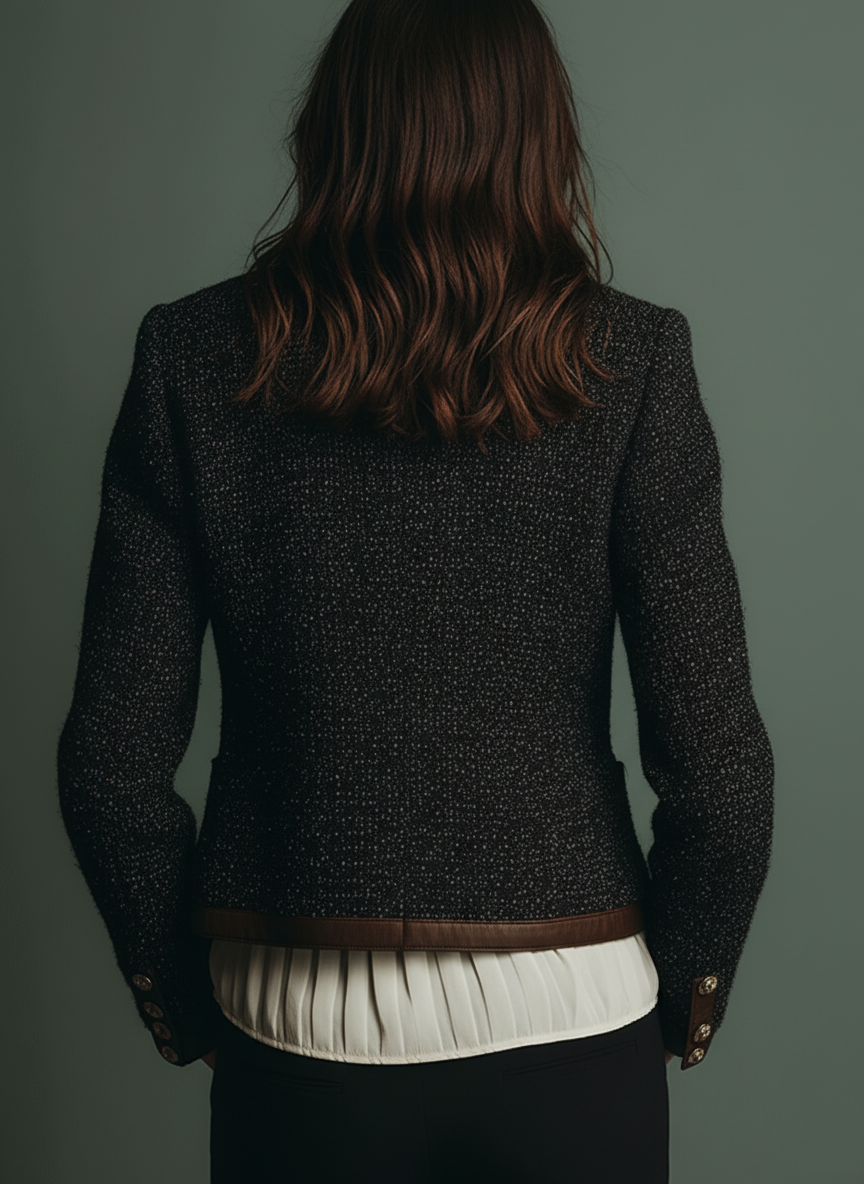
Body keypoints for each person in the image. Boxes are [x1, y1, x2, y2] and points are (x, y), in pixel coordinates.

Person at [56, 1, 775, 1181]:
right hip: (578, 1015)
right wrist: (680, 990)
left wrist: (183, 990)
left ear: (330, 126)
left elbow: (109, 769)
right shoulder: (633, 362)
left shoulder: (190, 356)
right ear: (541, 134)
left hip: (289, 1017)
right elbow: (723, 777)